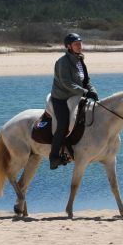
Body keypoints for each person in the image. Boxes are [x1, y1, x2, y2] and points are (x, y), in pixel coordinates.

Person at [48, 33, 99, 170]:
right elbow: (66, 83)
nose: (79, 46)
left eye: (80, 44)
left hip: (76, 96)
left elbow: (86, 81)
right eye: (76, 44)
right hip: (61, 98)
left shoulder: (80, 61)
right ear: (69, 46)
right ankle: (54, 157)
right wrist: (84, 92)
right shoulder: (62, 62)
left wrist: (92, 91)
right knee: (63, 123)